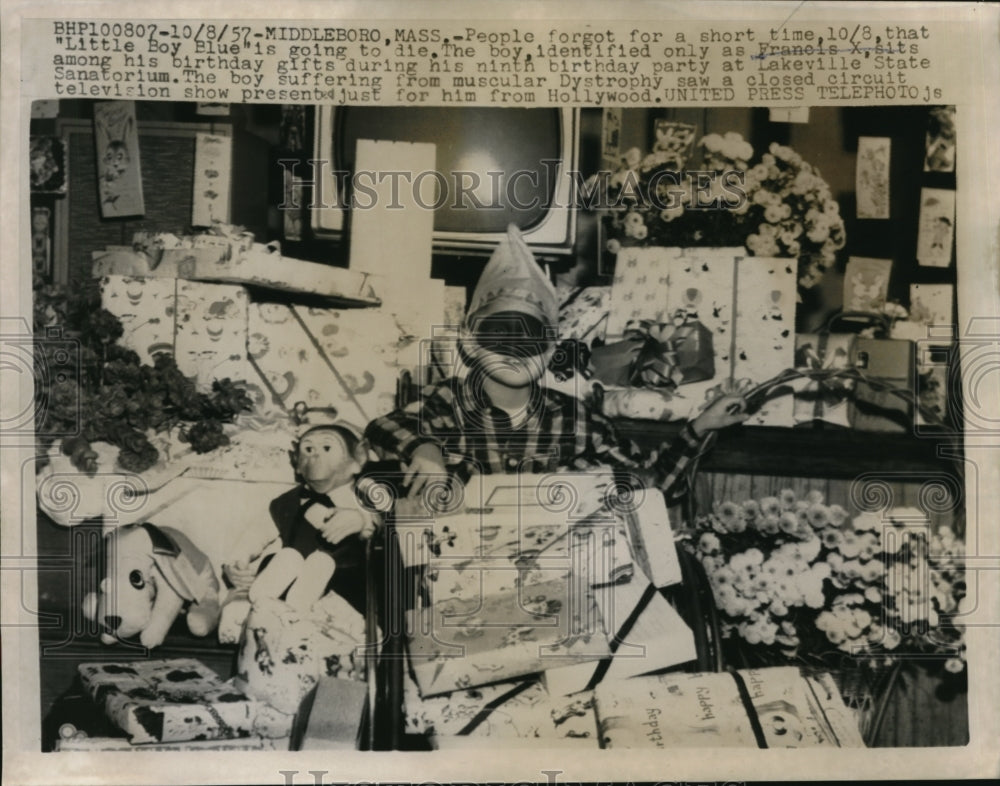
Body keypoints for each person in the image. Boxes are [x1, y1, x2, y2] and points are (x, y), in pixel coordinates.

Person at [364, 225, 747, 504]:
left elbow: (653, 485)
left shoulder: (576, 420)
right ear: (470, 344)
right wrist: (425, 450)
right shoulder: (446, 403)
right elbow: (384, 426)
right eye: (497, 334)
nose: (514, 348)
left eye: (530, 335)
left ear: (551, 349)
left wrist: (700, 426)